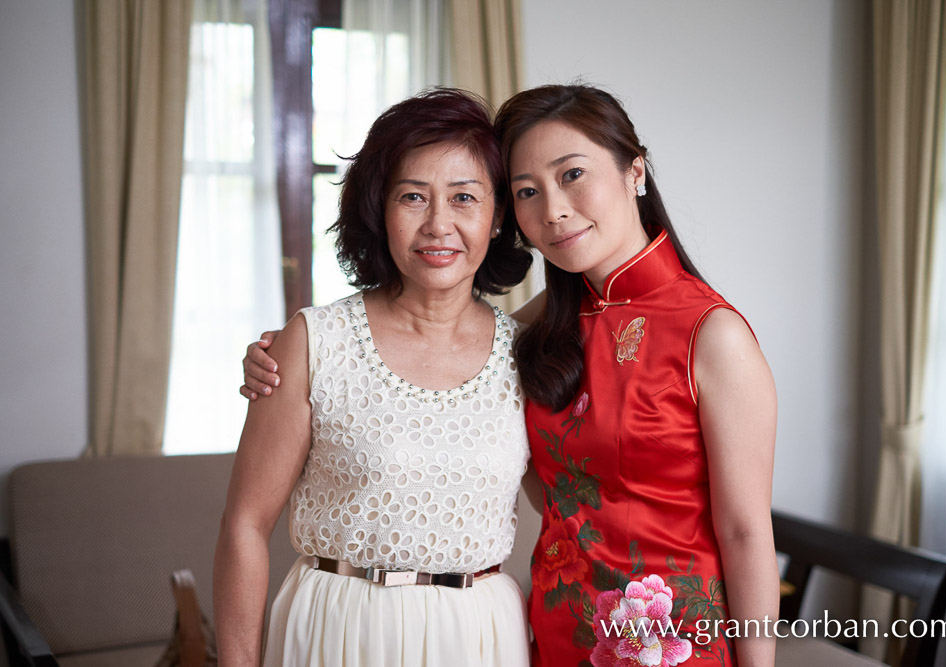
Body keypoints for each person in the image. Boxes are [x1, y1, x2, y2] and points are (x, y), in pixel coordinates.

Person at [243, 84, 779, 667]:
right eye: (528, 190)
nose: (553, 209)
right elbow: (438, 341)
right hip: (550, 635)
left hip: (671, 642)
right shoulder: (534, 331)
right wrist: (285, 351)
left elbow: (746, 533)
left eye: (573, 174)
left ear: (635, 172)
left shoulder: (713, 335)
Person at [215, 88, 534, 667]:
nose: (439, 224)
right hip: (336, 629)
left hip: (480, 637)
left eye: (464, 197)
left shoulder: (526, 354)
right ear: (379, 210)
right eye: (413, 196)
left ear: (497, 219)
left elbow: (575, 504)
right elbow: (244, 525)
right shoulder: (316, 341)